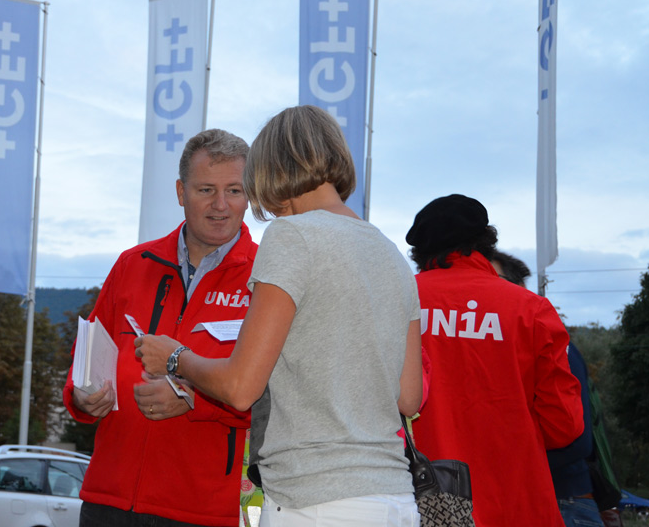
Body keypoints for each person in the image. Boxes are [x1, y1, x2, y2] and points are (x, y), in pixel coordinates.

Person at [136, 105, 423, 527]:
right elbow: (409, 396)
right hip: (394, 498)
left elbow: (239, 387)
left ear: (271, 169)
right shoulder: (390, 253)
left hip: (314, 500)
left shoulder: (291, 236)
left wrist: (175, 357)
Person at [62, 128, 257, 527]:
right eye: (206, 190)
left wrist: (195, 401)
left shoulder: (267, 278)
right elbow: (84, 360)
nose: (221, 205)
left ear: (249, 194)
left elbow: (278, 396)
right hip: (108, 500)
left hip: (202, 510)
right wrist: (81, 398)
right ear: (180, 192)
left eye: (234, 190)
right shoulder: (133, 264)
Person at [405, 194, 584, 527]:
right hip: (515, 503)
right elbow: (564, 426)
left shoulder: (397, 301)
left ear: (419, 251)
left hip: (418, 502)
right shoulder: (530, 310)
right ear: (486, 242)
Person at [491, 251, 616, 527]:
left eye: (491, 279)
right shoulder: (512, 346)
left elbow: (576, 437)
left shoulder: (557, 347)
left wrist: (503, 464)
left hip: (565, 501)